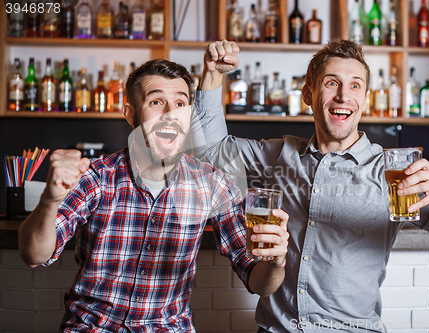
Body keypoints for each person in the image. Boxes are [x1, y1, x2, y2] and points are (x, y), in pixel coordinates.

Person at [191, 39, 429, 332]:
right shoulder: (279, 155)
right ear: (308, 94)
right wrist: (213, 75)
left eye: (355, 86)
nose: (343, 96)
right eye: (331, 83)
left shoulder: (391, 172)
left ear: (365, 99)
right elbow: (212, 153)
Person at [18, 58, 290, 332]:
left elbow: (258, 282)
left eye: (181, 104)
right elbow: (34, 255)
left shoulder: (213, 184)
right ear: (130, 114)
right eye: (156, 102)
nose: (171, 114)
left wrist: (276, 262)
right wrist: (50, 201)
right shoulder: (96, 177)